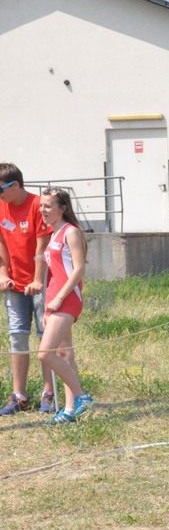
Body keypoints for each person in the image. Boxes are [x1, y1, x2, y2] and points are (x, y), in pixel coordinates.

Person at [0, 163, 56, 416]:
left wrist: (37, 280)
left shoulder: (36, 206)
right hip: (14, 284)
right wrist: (3, 274)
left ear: (15, 185)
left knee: (46, 336)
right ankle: (19, 396)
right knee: (17, 336)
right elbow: (1, 244)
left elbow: (42, 247)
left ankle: (49, 392)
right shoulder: (1, 207)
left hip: (41, 283)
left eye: (1, 189)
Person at [37, 189, 93, 424]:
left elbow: (78, 270)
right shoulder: (54, 234)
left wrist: (59, 299)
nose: (43, 210)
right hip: (55, 301)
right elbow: (54, 274)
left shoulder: (71, 232)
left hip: (67, 299)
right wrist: (47, 308)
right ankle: (70, 410)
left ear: (62, 208)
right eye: (41, 206)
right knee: (64, 355)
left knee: (44, 354)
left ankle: (82, 397)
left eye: (48, 206)